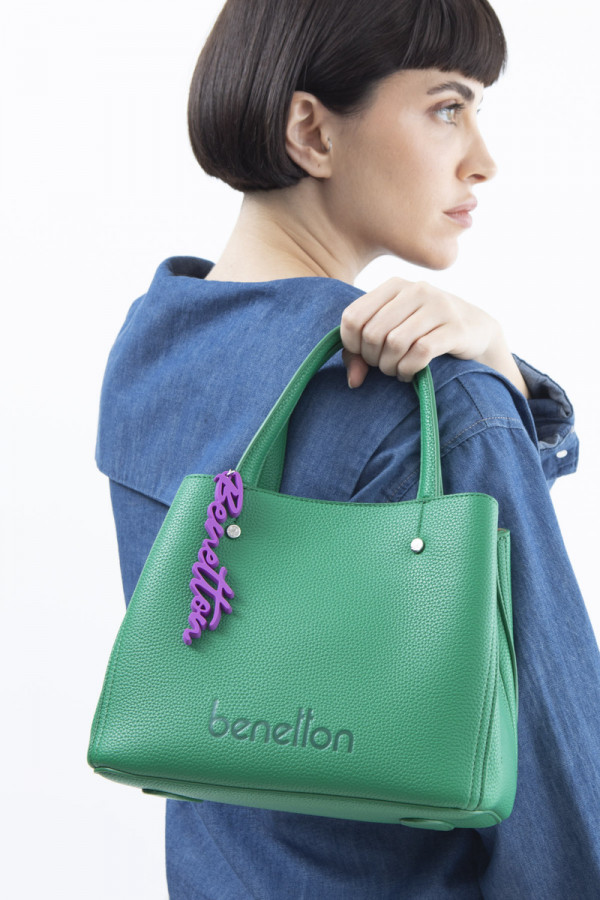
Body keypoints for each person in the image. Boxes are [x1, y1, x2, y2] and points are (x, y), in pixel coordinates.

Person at [95, 0, 600, 896]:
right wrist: (482, 394)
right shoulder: (428, 400)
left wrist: (498, 380)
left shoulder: (152, 347)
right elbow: (563, 781)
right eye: (447, 106)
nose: (483, 157)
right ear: (312, 132)